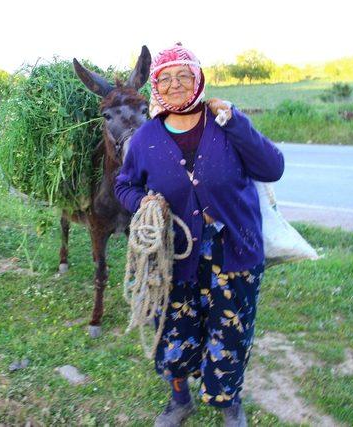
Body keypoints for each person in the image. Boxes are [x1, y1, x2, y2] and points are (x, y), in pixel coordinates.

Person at [115, 44, 285, 427]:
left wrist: (237, 121)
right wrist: (145, 202)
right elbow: (123, 185)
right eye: (166, 78)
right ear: (156, 86)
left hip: (235, 253)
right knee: (174, 332)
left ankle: (230, 406)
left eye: (184, 76)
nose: (176, 85)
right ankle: (180, 402)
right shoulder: (145, 139)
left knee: (231, 332)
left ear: (199, 79)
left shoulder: (225, 125)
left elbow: (272, 167)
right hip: (175, 257)